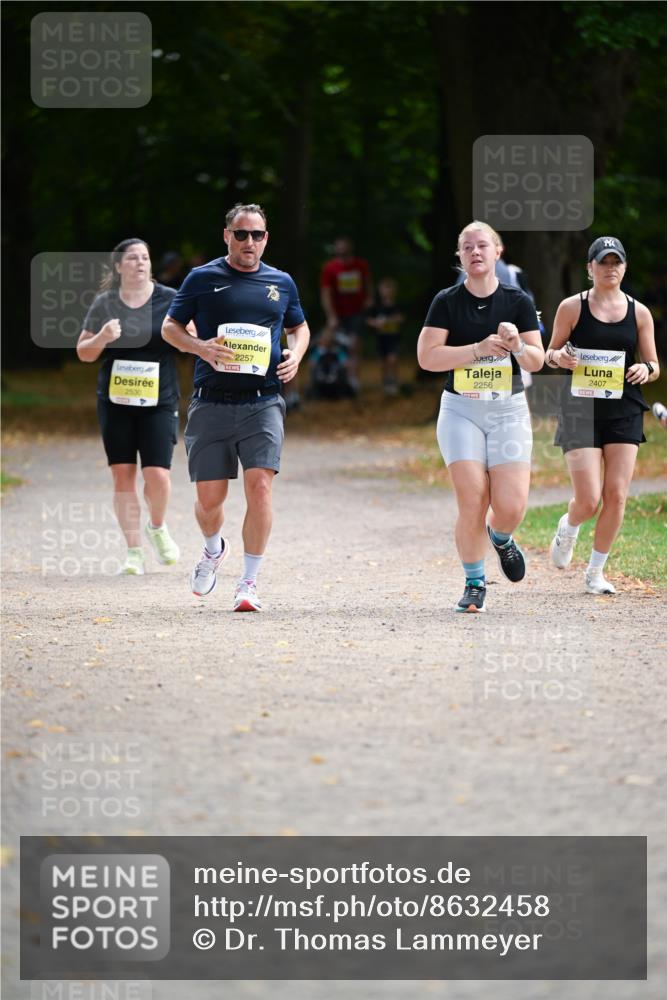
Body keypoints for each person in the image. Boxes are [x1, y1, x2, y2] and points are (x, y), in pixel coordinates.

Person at [161, 203, 310, 611]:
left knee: (261, 487)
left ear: (266, 238)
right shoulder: (202, 278)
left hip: (262, 402)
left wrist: (296, 354)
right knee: (210, 502)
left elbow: (299, 326)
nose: (249, 242)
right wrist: (199, 347)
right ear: (226, 235)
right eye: (241, 234)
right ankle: (213, 548)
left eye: (257, 235)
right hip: (211, 402)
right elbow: (170, 328)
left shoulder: (281, 282)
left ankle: (248, 582)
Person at [417, 221, 544, 613]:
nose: (475, 252)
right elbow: (427, 358)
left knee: (511, 505)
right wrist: (476, 349)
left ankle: (501, 537)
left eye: (482, 245)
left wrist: (517, 343)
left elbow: (536, 361)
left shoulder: (517, 301)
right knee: (472, 499)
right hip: (461, 411)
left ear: (497, 252)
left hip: (508, 410)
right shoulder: (447, 301)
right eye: (467, 246)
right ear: (460, 256)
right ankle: (474, 582)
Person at [546, 236, 660, 594]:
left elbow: (654, 363)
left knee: (618, 494)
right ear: (590, 268)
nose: (610, 268)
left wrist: (648, 370)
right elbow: (550, 353)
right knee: (589, 499)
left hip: (624, 408)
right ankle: (569, 525)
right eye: (603, 262)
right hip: (580, 408)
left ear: (624, 267)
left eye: (616, 262)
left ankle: (595, 573)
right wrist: (560, 358)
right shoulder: (571, 307)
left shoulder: (639, 312)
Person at [77, 238, 181, 575]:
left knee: (158, 476)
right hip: (116, 400)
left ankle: (157, 525)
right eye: (133, 258)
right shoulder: (105, 303)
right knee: (123, 476)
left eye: (146, 258)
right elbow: (84, 352)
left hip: (159, 398)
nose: (140, 263)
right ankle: (134, 551)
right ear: (119, 266)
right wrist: (102, 337)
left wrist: (197, 339)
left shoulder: (170, 299)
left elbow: (190, 337)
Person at [320, 237, 373, 391]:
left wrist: (369, 299)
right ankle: (331, 378)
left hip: (356, 312)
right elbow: (325, 293)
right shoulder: (330, 268)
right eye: (339, 246)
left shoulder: (361, 265)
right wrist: (331, 316)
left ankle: (353, 380)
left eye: (345, 246)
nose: (342, 249)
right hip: (338, 313)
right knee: (331, 343)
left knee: (355, 344)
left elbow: (368, 283)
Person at [365, 277, 405, 396]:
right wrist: (375, 323)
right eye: (384, 288)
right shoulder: (376, 306)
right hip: (381, 338)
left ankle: (394, 381)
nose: (387, 291)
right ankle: (386, 382)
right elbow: (368, 319)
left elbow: (402, 318)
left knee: (392, 359)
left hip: (394, 338)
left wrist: (394, 320)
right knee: (383, 362)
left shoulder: (397, 305)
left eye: (389, 288)